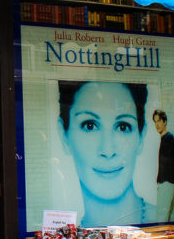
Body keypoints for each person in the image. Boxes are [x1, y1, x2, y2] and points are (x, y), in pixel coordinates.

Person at [57, 81, 149, 226]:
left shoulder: (166, 218)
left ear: (141, 136)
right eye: (89, 126)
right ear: (64, 135)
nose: (108, 151)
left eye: (123, 127)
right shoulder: (67, 236)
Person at [153, 109, 174, 221]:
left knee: (161, 216)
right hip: (168, 182)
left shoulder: (168, 139)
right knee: (169, 216)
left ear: (164, 121)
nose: (157, 124)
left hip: (166, 182)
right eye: (155, 121)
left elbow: (166, 164)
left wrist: (160, 182)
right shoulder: (165, 139)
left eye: (159, 121)